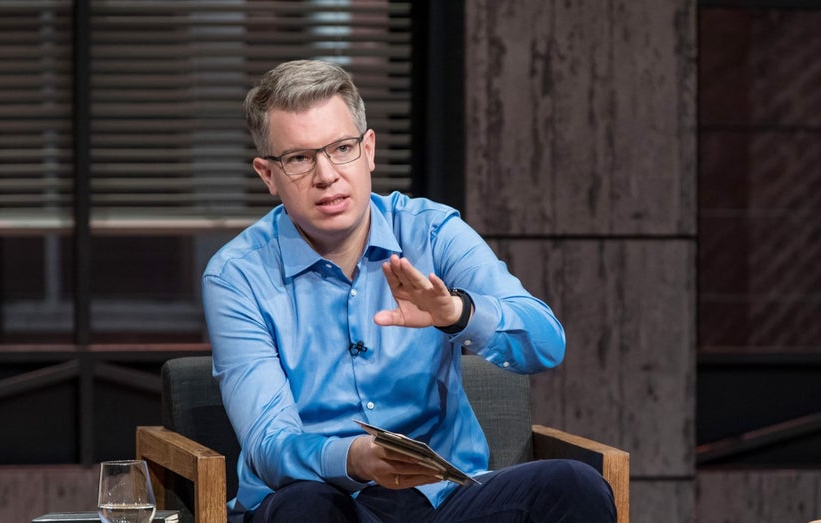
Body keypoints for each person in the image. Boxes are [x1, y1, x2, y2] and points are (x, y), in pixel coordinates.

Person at [202, 59, 616, 523]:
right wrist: (355, 458)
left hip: (443, 498)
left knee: (573, 485)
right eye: (299, 158)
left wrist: (457, 314)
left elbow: (546, 343)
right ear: (267, 175)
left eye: (342, 148)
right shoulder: (237, 276)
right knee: (304, 509)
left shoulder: (432, 232)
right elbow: (269, 443)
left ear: (369, 150)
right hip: (324, 499)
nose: (326, 174)